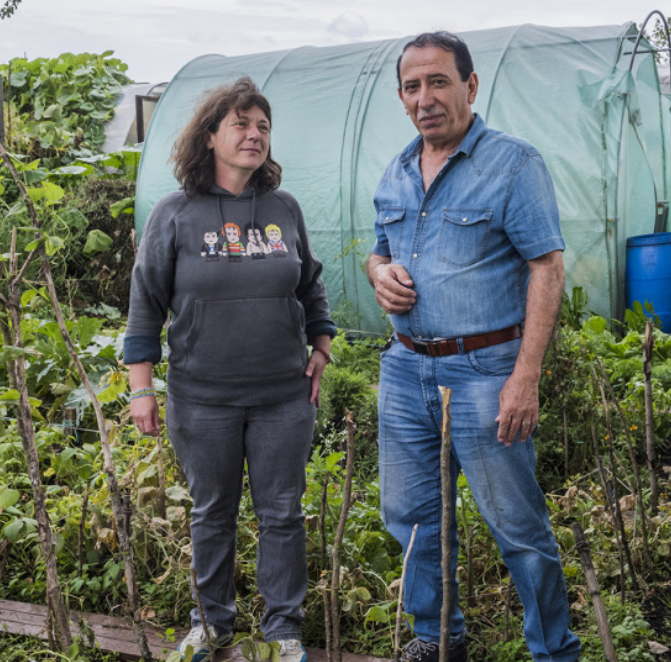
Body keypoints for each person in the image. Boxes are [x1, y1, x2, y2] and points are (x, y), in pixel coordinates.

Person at [366, 32, 581, 662]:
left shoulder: (513, 164)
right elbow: (381, 251)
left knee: (517, 528)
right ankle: (437, 640)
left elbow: (547, 267)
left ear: (469, 85)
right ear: (402, 97)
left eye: (438, 82)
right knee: (411, 522)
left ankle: (553, 650)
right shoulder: (396, 171)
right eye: (412, 86)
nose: (425, 98)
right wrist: (380, 274)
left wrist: (525, 377)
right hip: (407, 370)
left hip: (486, 371)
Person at [125, 76, 336, 662]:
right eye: (241, 124)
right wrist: (140, 389)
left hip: (282, 398)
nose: (254, 135)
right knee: (212, 513)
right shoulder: (175, 215)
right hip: (203, 399)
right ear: (211, 135)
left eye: (263, 126)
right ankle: (212, 622)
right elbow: (145, 303)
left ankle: (282, 630)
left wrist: (321, 345)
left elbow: (311, 284)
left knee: (282, 514)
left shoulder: (282, 208)